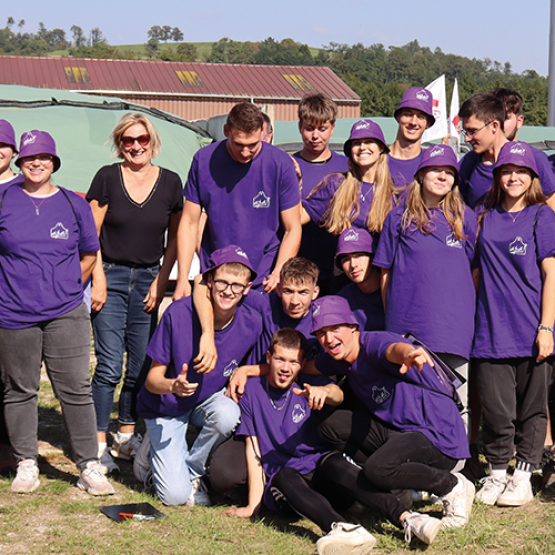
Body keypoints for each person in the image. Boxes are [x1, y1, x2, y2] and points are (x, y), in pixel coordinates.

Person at [224, 328, 444, 550]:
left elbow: (336, 394)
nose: (285, 368)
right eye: (280, 359)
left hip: (324, 476)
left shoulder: (306, 386)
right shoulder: (251, 391)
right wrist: (254, 505)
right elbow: (253, 451)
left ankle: (409, 518)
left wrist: (325, 392)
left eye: (293, 361)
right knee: (284, 476)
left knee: (336, 462)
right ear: (269, 358)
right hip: (288, 488)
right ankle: (341, 529)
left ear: (302, 364)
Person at [0, 130, 113, 495]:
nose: (36, 163)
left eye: (44, 157)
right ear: (19, 162)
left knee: (75, 388)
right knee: (19, 389)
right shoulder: (3, 198)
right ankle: (26, 461)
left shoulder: (73, 202)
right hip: (14, 313)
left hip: (65, 312)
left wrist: (67, 287)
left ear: (54, 162)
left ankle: (88, 465)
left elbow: (89, 254)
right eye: (30, 157)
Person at [310, 296, 474, 528]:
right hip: (400, 432)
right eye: (321, 333)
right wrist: (254, 370)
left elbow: (394, 349)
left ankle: (452, 485)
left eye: (335, 328)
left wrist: (409, 354)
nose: (328, 339)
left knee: (378, 469)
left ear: (352, 327)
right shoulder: (342, 357)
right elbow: (304, 365)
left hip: (437, 434)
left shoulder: (373, 344)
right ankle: (399, 488)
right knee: (328, 426)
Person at [86, 113, 183, 474]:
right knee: (109, 365)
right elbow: (89, 234)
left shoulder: (171, 183)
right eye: (128, 140)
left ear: (152, 141)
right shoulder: (108, 177)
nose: (136, 146)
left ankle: (126, 434)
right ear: (119, 143)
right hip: (109, 274)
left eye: (142, 139)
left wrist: (162, 279)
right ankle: (96, 443)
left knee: (141, 364)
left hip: (148, 279)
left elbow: (176, 238)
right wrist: (97, 279)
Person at [134, 245, 262, 506]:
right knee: (174, 498)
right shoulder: (178, 313)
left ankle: (193, 471)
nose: (228, 291)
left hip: (205, 401)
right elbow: (151, 380)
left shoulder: (252, 322)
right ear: (210, 282)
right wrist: (173, 385)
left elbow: (250, 368)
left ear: (247, 289)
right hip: (165, 404)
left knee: (228, 414)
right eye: (223, 282)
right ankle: (150, 453)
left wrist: (242, 370)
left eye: (237, 285)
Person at [472, 141, 555, 507]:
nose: (513, 177)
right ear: (497, 176)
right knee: (495, 406)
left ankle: (522, 475)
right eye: (506, 171)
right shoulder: (482, 215)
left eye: (521, 171)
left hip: (532, 326)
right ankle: (496, 472)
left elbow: (552, 274)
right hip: (490, 328)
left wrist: (547, 327)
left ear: (533, 176)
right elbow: (474, 273)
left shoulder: (542, 215)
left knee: (533, 407)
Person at [373, 144, 476, 429]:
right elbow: (385, 273)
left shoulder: (464, 217)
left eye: (449, 172)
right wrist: (393, 319)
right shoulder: (398, 217)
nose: (442, 176)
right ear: (420, 175)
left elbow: (472, 271)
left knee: (456, 401)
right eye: (435, 170)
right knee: (411, 400)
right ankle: (415, 467)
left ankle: (456, 467)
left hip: (453, 328)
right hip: (410, 327)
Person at [174, 101, 301, 297]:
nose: (245, 152)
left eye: (252, 145)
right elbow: (189, 222)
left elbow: (292, 228)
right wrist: (183, 279)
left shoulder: (281, 164)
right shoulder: (203, 160)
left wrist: (278, 273)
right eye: (238, 144)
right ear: (226, 131)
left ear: (263, 132)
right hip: (216, 278)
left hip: (263, 280)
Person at [459, 92, 555, 210]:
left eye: (472, 131)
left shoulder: (535, 159)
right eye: (465, 132)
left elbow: (551, 209)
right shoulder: (468, 162)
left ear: (494, 126)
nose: (467, 139)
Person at [302, 119, 397, 239]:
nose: (362, 147)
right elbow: (298, 218)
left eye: (369, 141)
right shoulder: (335, 184)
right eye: (356, 143)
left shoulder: (396, 191)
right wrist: (292, 179)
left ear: (381, 148)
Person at [293, 92, 348, 294]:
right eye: (309, 128)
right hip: (294, 274)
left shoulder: (347, 168)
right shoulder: (286, 165)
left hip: (337, 274)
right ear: (300, 127)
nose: (315, 136)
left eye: (322, 129)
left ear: (332, 129)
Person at [0, 120, 22, 473]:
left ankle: (9, 444)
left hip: (11, 294)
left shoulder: (24, 189)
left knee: (10, 374)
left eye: (2, 145)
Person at [335, 227, 384, 332]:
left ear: (372, 257)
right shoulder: (342, 300)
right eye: (346, 259)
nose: (353, 265)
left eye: (359, 256)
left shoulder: (394, 289)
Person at [387, 87, 435, 191]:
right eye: (408, 115)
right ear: (398, 117)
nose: (413, 122)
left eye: (421, 117)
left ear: (428, 123)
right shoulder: (376, 160)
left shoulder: (430, 166)